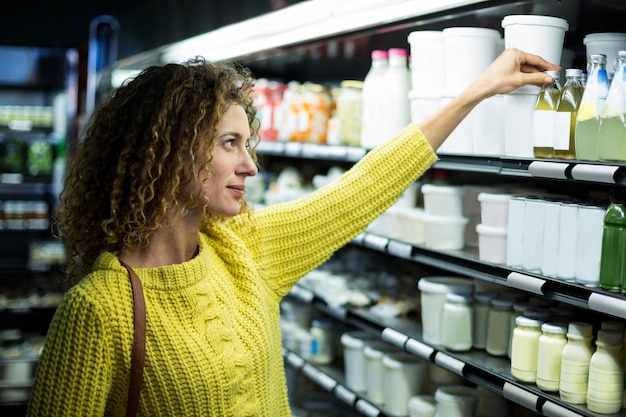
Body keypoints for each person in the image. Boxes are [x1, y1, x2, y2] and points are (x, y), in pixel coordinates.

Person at [26, 47, 559, 416]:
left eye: (246, 144)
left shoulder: (242, 251)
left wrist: (478, 91)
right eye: (228, 143)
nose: (250, 166)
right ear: (166, 153)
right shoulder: (100, 311)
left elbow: (362, 188)